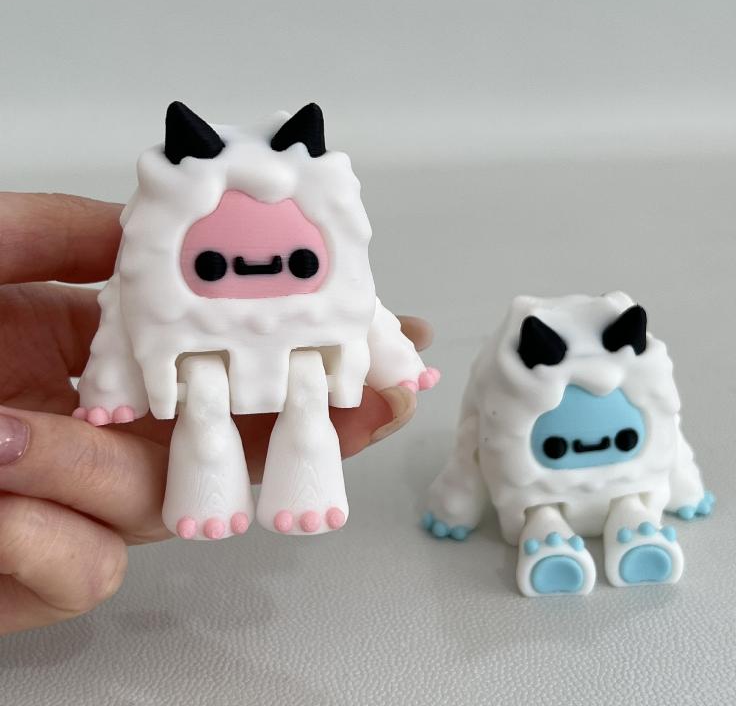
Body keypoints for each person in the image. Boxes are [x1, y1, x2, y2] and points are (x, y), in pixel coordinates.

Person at [0, 191, 432, 635]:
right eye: (210, 265)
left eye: (301, 262)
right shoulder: (151, 264)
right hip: (204, 359)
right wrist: (110, 392)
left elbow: (369, 312)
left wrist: (399, 365)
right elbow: (121, 324)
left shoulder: (337, 267)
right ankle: (207, 498)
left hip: (295, 357)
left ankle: (308, 493)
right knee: (205, 419)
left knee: (307, 412)